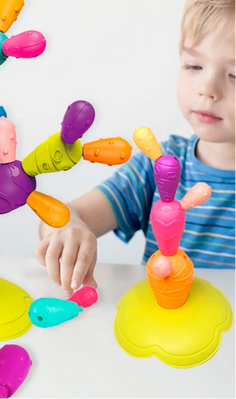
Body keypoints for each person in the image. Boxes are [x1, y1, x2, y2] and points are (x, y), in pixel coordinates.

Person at [36, 0, 236, 298]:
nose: (208, 89)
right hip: (162, 336)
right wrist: (69, 230)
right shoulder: (158, 167)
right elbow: (63, 215)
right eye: (194, 65)